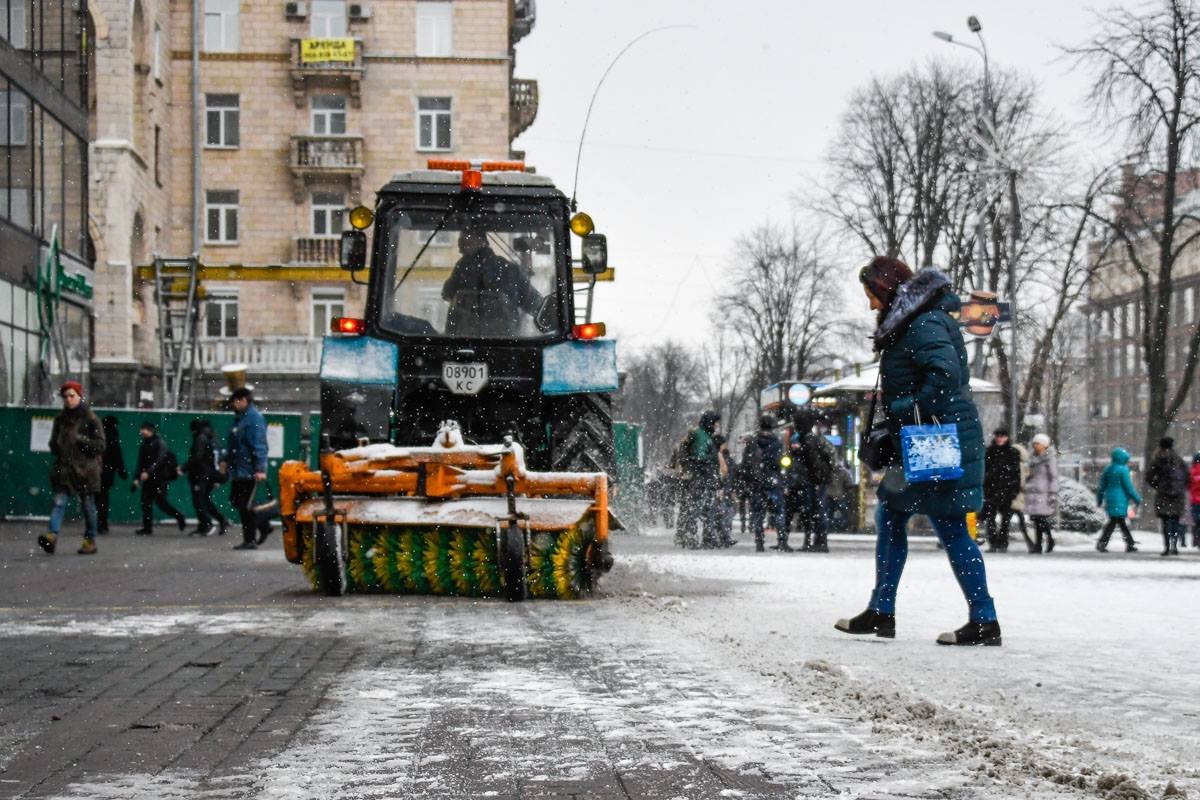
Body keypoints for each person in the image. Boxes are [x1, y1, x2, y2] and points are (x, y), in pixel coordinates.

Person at [835, 257, 1000, 646]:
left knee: (950, 527)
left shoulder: (924, 323)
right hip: (925, 440)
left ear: (888, 288)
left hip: (937, 441)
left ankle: (983, 618)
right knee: (893, 514)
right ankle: (883, 610)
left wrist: (903, 408)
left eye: (872, 295)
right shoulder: (915, 322)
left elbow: (945, 376)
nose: (871, 305)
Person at [442, 227, 550, 336]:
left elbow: (447, 294)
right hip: (508, 344)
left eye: (464, 246)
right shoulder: (510, 270)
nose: (461, 250)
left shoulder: (461, 269)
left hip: (461, 344)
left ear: (480, 241)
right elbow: (536, 305)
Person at [38, 381, 105, 556]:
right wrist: (56, 444)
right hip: (65, 469)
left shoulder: (91, 418)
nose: (68, 400)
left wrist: (80, 439)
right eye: (65, 396)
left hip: (86, 470)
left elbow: (100, 445)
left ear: (79, 396)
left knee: (87, 505)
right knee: (59, 502)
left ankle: (90, 540)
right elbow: (54, 444)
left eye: (72, 396)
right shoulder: (60, 420)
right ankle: (51, 536)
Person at [221, 387, 271, 550]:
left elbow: (259, 445)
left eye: (236, 401)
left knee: (244, 506)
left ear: (243, 400)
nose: (233, 405)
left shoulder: (253, 419)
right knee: (237, 501)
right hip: (239, 469)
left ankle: (250, 539)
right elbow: (234, 443)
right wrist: (226, 460)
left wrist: (260, 468)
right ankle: (263, 526)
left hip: (248, 470)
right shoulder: (241, 418)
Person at [676, 410, 722, 549]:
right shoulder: (703, 436)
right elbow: (701, 458)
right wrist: (711, 472)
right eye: (716, 423)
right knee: (702, 509)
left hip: (700, 477)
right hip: (702, 478)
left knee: (699, 508)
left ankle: (696, 537)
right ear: (710, 423)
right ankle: (700, 539)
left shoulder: (704, 435)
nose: (717, 425)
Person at [132, 421, 186, 535]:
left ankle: (179, 517)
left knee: (161, 502)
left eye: (144, 429)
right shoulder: (144, 444)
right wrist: (137, 477)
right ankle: (147, 528)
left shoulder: (160, 443)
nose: (142, 431)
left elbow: (159, 460)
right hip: (149, 478)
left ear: (150, 430)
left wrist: (148, 472)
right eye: (142, 429)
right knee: (146, 502)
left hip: (160, 478)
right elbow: (140, 462)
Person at [743, 414, 787, 553]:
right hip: (773, 481)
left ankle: (759, 542)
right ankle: (782, 541)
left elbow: (746, 464)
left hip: (758, 481)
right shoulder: (778, 443)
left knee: (758, 513)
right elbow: (782, 462)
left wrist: (748, 479)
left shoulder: (752, 442)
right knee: (778, 512)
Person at [793, 411, 836, 553]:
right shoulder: (813, 439)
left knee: (814, 510)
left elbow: (813, 462)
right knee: (816, 510)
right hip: (816, 480)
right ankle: (818, 541)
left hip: (814, 480)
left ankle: (817, 541)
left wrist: (816, 478)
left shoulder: (809, 440)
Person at [182, 418, 227, 536]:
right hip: (208, 474)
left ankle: (206, 525)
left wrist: (184, 468)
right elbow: (217, 459)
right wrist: (217, 476)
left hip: (201, 475)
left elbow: (198, 457)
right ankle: (220, 520)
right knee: (204, 500)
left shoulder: (201, 438)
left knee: (199, 500)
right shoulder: (211, 438)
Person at [1146, 436, 1188, 556]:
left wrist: (1157, 485)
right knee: (1175, 520)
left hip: (1163, 494)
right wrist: (1181, 487)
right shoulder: (1178, 459)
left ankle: (1167, 547)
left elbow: (1149, 476)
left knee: (1165, 521)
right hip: (1178, 494)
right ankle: (1175, 546)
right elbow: (1187, 476)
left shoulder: (1158, 459)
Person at [982, 428, 1022, 553]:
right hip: (992, 489)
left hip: (1006, 489)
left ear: (1007, 437)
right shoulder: (989, 452)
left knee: (1005, 519)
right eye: (998, 436)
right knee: (991, 518)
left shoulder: (1012, 452)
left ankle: (1002, 542)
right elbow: (984, 471)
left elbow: (1016, 473)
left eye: (1002, 436)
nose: (1000, 438)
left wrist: (1014, 489)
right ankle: (994, 542)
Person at [1095, 447, 1142, 553]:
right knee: (1117, 522)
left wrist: (1099, 499)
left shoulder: (1108, 469)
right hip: (1120, 500)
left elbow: (1101, 487)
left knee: (1117, 522)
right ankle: (1126, 544)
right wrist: (1137, 499)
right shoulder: (1123, 470)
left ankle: (1127, 543)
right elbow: (1129, 488)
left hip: (1110, 499)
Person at [1024, 433, 1059, 553]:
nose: (1035, 445)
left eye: (1037, 443)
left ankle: (1045, 542)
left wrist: (1053, 492)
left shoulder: (1050, 459)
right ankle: (1040, 544)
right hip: (1033, 492)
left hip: (1044, 493)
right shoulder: (1032, 459)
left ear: (1044, 445)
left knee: (1042, 520)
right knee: (1036, 520)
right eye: (1034, 443)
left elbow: (1053, 477)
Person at [95, 415, 128, 535]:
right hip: (108, 473)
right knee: (103, 498)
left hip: (96, 471)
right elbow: (117, 455)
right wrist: (121, 471)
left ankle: (96, 523)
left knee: (96, 498)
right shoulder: (113, 436)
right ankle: (102, 523)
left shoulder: (99, 435)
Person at [1190, 453, 1200, 550]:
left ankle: (1196, 540)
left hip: (1195, 501)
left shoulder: (1192, 472)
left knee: (1196, 521)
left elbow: (1188, 485)